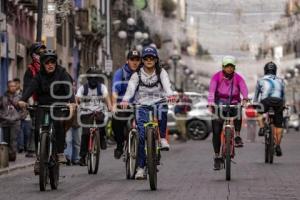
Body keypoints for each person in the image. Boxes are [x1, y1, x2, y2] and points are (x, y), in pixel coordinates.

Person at [121, 46, 176, 179]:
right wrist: (125, 100)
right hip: (142, 105)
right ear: (143, 60)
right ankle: (140, 167)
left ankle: (162, 138)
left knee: (163, 109)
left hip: (158, 102)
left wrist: (170, 95)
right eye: (146, 58)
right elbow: (131, 89)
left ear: (156, 60)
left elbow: (167, 85)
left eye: (152, 58)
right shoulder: (137, 74)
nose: (149, 60)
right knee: (140, 135)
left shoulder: (161, 72)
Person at [18, 49, 75, 168]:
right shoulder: (39, 75)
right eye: (47, 62)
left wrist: (72, 102)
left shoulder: (62, 72)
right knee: (38, 129)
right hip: (43, 105)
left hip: (59, 105)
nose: (50, 65)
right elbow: (30, 87)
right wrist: (23, 99)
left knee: (59, 123)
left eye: (53, 62)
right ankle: (39, 159)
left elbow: (68, 88)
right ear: (43, 63)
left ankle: (59, 153)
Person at [208, 55, 248, 170]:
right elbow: (211, 89)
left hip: (233, 103)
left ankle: (238, 136)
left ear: (234, 67)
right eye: (227, 66)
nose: (229, 69)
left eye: (231, 67)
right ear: (223, 67)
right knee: (216, 130)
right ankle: (217, 157)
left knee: (239, 110)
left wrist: (245, 98)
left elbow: (244, 88)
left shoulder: (238, 78)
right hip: (219, 104)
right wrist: (211, 102)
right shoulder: (216, 77)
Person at [76, 66, 112, 166]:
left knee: (102, 122)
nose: (93, 80)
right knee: (85, 134)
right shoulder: (83, 88)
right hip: (86, 113)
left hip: (98, 111)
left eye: (95, 77)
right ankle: (82, 157)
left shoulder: (102, 87)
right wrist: (77, 102)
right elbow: (77, 97)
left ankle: (102, 137)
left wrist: (109, 105)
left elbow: (106, 97)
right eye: (91, 78)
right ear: (88, 78)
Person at [111, 49, 141, 159]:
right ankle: (119, 145)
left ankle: (151, 152)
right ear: (127, 61)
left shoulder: (143, 73)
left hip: (139, 105)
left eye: (137, 60)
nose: (135, 62)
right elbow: (115, 90)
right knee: (116, 121)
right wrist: (114, 105)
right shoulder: (120, 73)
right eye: (132, 59)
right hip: (123, 105)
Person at [253, 61, 285, 156]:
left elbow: (256, 96)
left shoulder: (260, 80)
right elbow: (283, 95)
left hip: (266, 101)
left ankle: (262, 128)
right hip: (278, 102)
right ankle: (278, 146)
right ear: (275, 70)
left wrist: (255, 104)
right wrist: (284, 104)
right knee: (278, 125)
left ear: (265, 70)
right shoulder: (281, 80)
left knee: (259, 112)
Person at [22, 43, 46, 159]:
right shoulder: (30, 70)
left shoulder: (50, 66)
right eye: (39, 53)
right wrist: (25, 100)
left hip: (50, 101)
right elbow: (27, 87)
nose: (42, 55)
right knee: (35, 127)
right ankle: (35, 151)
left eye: (43, 52)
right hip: (35, 102)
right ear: (34, 55)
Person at [0, 81, 26, 161]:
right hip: (5, 121)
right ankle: (6, 156)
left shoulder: (20, 97)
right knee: (6, 140)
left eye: (14, 86)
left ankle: (12, 156)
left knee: (13, 140)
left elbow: (24, 109)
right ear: (8, 87)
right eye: (11, 86)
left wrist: (20, 117)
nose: (13, 87)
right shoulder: (3, 97)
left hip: (15, 121)